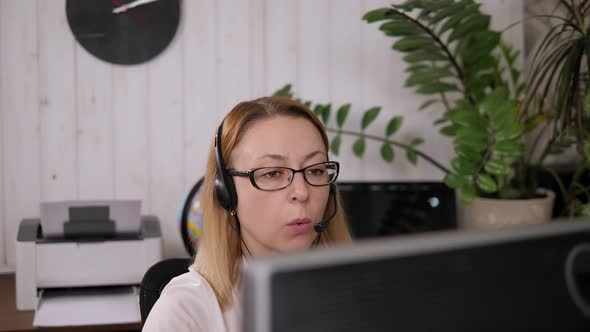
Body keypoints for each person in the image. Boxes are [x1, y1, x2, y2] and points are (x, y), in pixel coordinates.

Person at [142, 96, 352, 331]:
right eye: (272, 173)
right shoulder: (185, 311)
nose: (302, 192)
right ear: (226, 193)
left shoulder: (358, 293)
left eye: (315, 170)